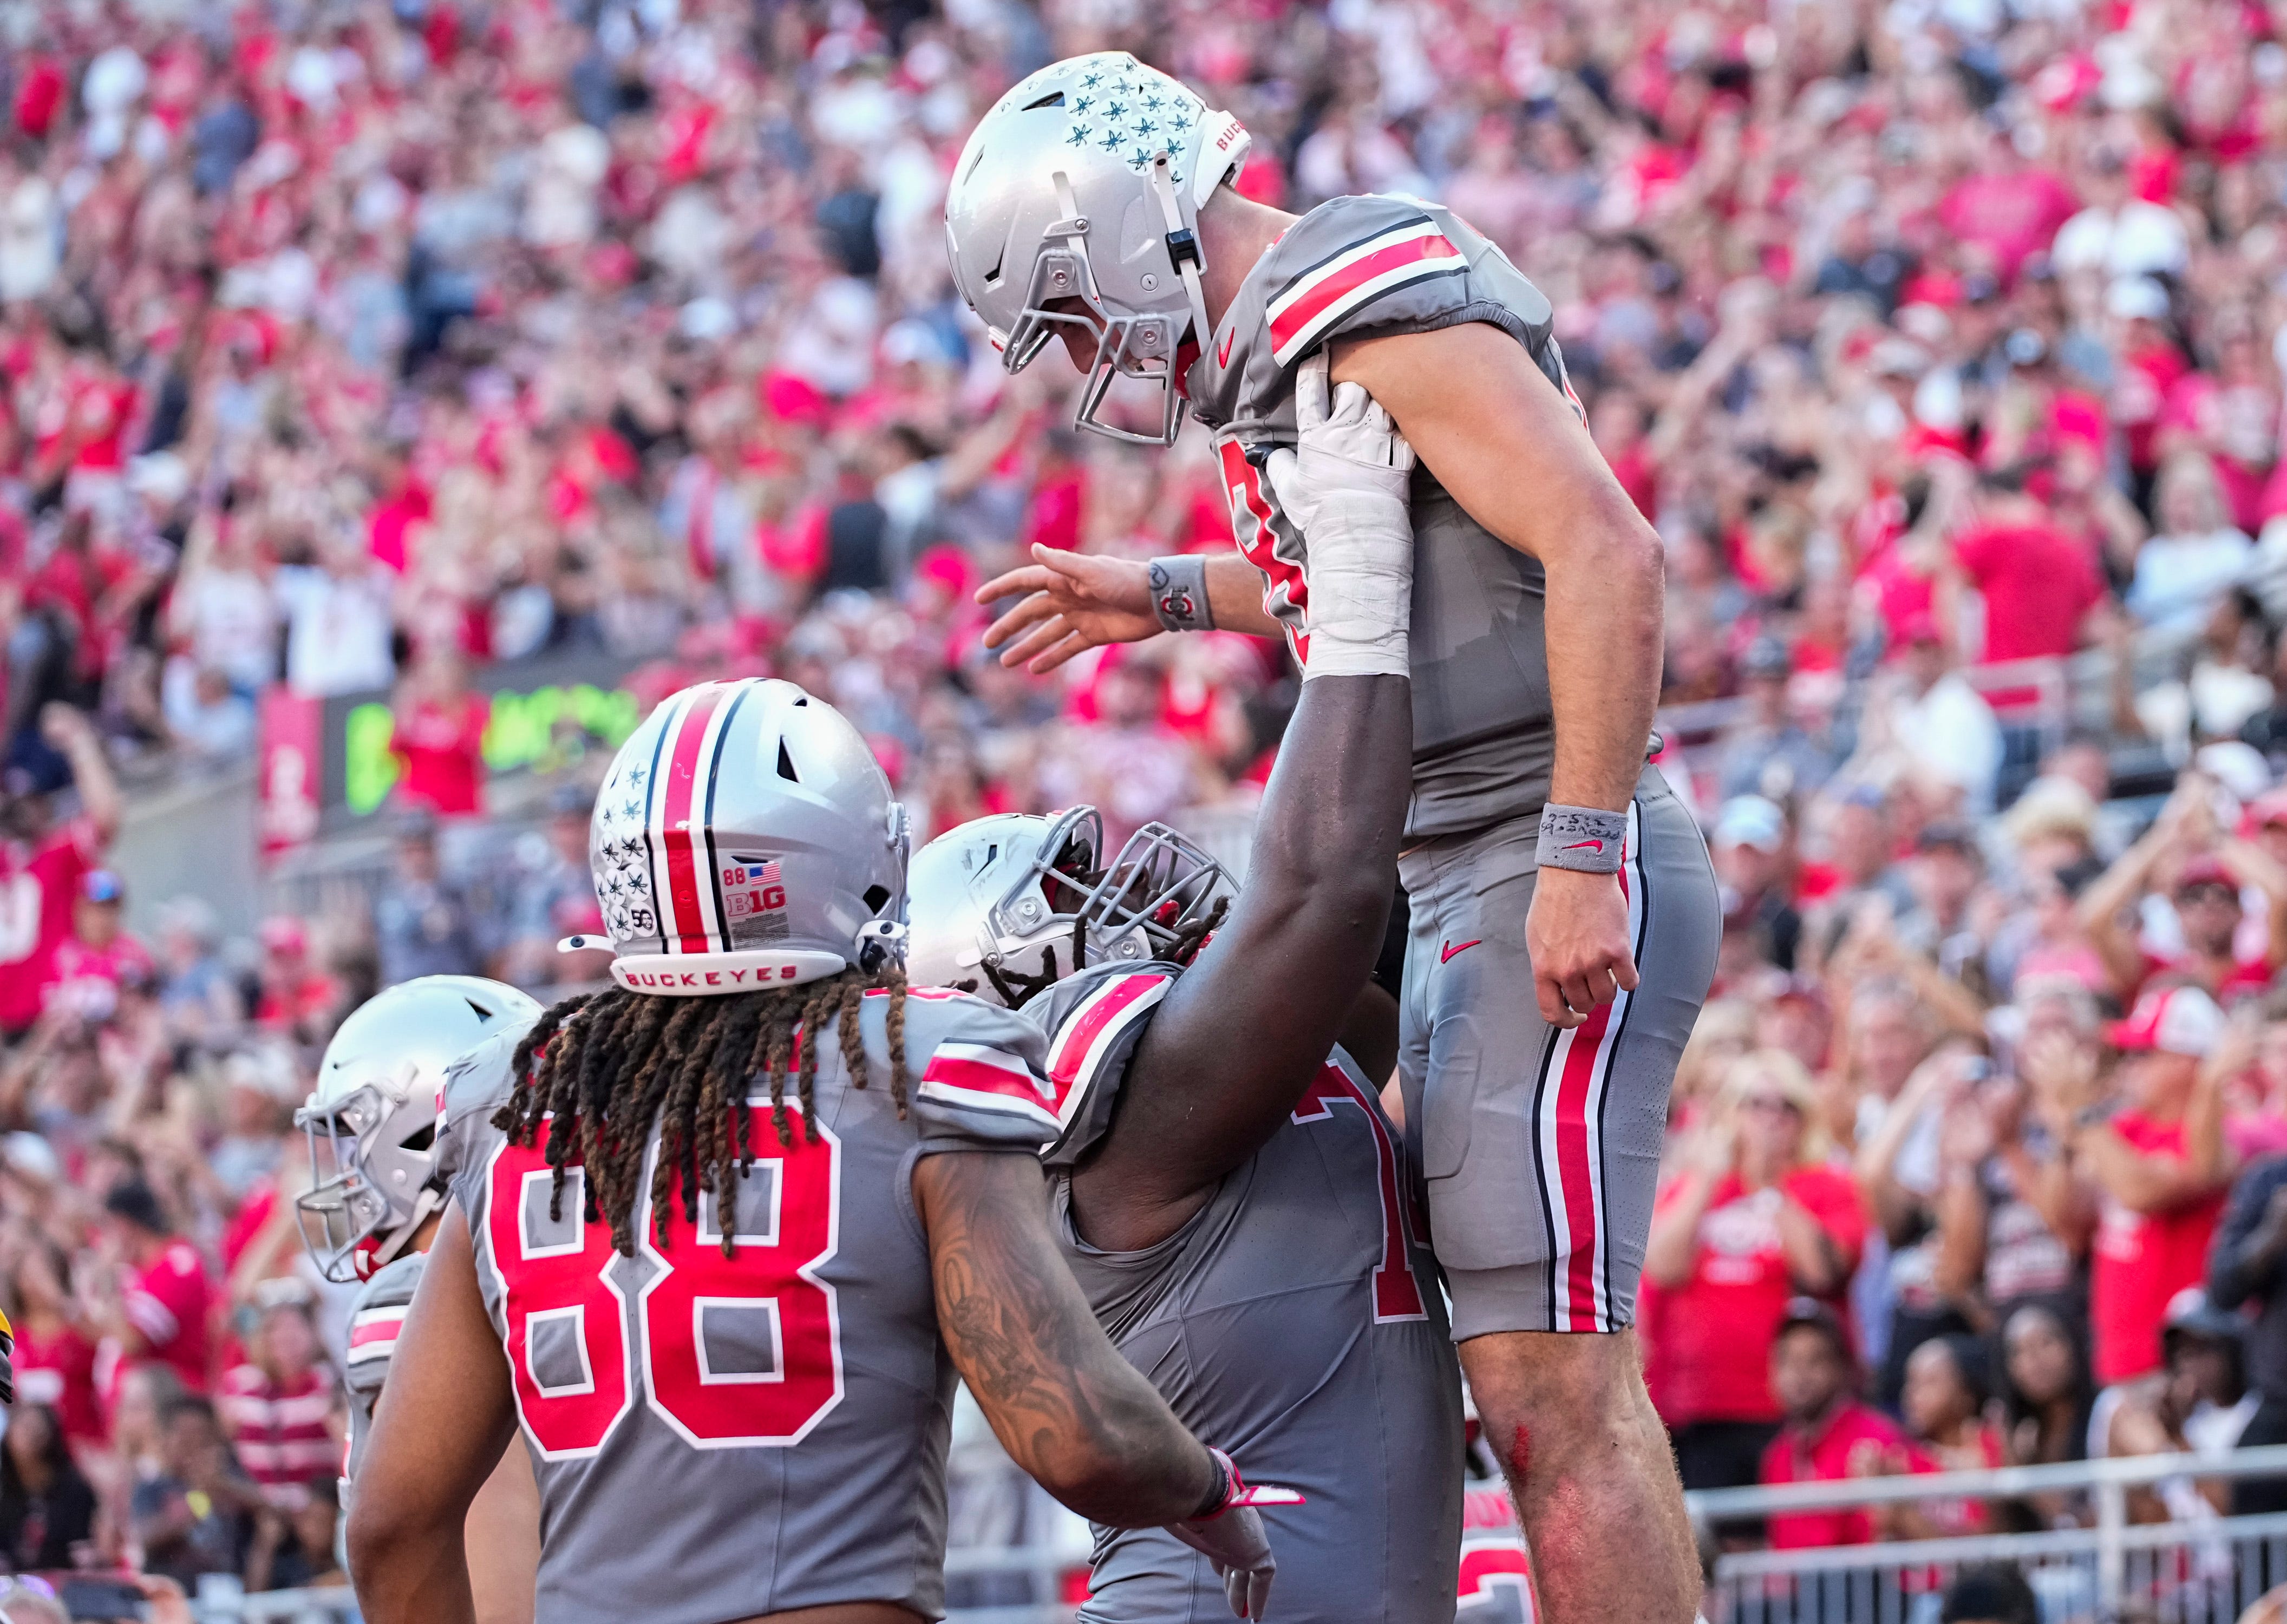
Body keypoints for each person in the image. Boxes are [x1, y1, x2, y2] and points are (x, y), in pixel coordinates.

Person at [950, 53, 1721, 1622]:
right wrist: (1155, 593)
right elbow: (1393, 568)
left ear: (1114, 224)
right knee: (1504, 1372)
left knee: (1548, 1388)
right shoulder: (1285, 353)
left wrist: (1579, 850)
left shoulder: (1356, 300)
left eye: (1073, 312)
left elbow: (1603, 543)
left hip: (1530, 838)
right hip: (1455, 863)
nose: (1088, 359)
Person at [349, 678, 1282, 1624]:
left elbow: (390, 1525)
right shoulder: (921, 1062)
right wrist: (1208, 1494)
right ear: (852, 860)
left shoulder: (517, 1093)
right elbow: (1070, 1432)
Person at [907, 362, 1461, 1623]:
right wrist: (1357, 562)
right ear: (1016, 985)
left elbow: (1387, 908)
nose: (1134, 884)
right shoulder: (1135, 1125)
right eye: (1080, 895)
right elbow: (1324, 887)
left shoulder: (1259, 1065)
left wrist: (1200, 591)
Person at [295, 974, 546, 1624]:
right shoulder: (539, 1254)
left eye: (354, 1137)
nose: (346, 1170)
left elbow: (489, 1588)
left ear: (420, 1133)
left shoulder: (416, 1296)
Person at [1643, 1051, 1866, 1492]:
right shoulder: (1698, 1187)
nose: (1771, 1118)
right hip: (1700, 1409)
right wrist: (1706, 1179)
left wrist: (1770, 1184)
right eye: (1755, 1104)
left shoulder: (1826, 1186)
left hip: (1797, 1410)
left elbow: (1823, 1272)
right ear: (1732, 1114)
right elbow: (1662, 1269)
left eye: (1786, 1107)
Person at [1758, 1300, 1916, 1550]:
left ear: (1842, 1368)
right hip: (1794, 1589)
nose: (1800, 1374)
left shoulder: (1876, 1438)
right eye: (1789, 1360)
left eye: (1815, 1360)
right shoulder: (1776, 1456)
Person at [90, 1180, 211, 1396]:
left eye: (108, 1226)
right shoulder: (140, 1267)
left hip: (173, 1402)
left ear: (124, 1225)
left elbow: (131, 1342)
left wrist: (108, 1280)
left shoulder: (176, 1264)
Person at [131, 1396, 264, 1589]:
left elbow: (270, 1509)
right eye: (184, 1438)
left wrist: (225, 1485)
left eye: (202, 1437)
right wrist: (202, 1498)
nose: (193, 1447)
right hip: (177, 1594)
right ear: (165, 1440)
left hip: (231, 1591)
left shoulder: (232, 1479)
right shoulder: (152, 1488)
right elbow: (146, 1537)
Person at [0, 1402, 97, 1569]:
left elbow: (82, 1548)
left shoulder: (74, 1489)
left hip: (61, 1580)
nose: (31, 1437)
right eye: (24, 1428)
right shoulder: (3, 1487)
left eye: (38, 1430)